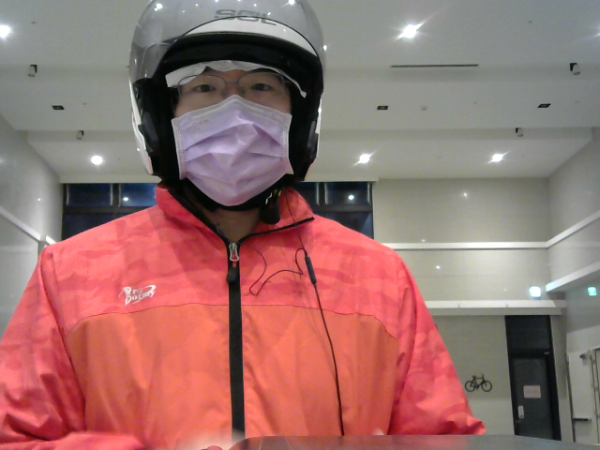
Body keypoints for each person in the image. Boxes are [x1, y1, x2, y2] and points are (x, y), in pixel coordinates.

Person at [0, 0, 485, 448]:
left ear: (299, 116)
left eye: (261, 87)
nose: (234, 110)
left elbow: (441, 438)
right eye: (205, 87)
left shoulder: (379, 276)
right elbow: (14, 436)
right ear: (162, 115)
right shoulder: (71, 272)